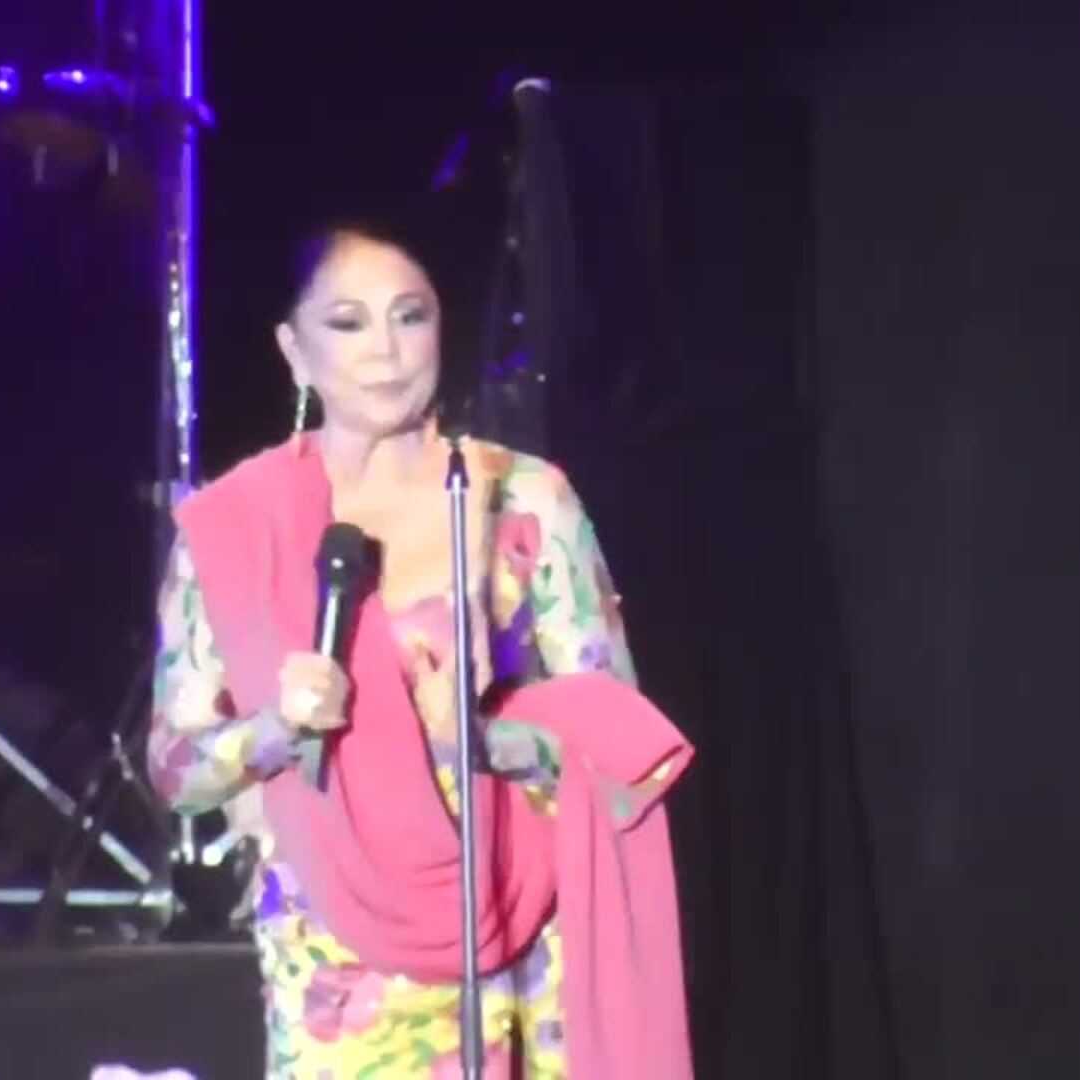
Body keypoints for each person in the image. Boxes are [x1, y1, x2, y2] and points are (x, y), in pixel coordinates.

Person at [148, 220, 695, 1078]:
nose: (386, 349)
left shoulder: (523, 499)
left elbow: (620, 744)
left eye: (410, 316)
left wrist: (481, 738)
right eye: (348, 323)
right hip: (338, 962)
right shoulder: (237, 527)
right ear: (294, 351)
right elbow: (176, 772)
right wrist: (277, 729)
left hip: (525, 928)